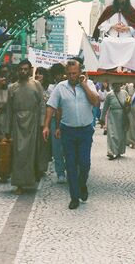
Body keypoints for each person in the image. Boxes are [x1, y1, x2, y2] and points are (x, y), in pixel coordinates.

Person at [43, 60, 99, 210]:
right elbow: (51, 106)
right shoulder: (60, 87)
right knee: (71, 165)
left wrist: (85, 85)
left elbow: (95, 102)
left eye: (75, 73)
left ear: (80, 72)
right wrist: (46, 126)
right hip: (68, 131)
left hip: (85, 131)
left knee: (85, 163)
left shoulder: (89, 84)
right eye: (69, 74)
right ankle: (74, 197)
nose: (72, 76)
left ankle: (82, 186)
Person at [6, 59, 44, 194]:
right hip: (17, 123)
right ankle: (19, 184)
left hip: (33, 122)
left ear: (30, 70)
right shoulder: (12, 87)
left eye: (25, 69)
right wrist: (7, 129)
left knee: (33, 152)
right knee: (19, 153)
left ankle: (31, 179)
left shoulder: (37, 85)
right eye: (21, 69)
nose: (23, 71)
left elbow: (42, 105)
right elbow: (8, 109)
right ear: (18, 70)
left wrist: (42, 123)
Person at [92, 0, 135, 73]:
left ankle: (127, 67)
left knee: (134, 43)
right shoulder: (109, 10)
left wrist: (128, 28)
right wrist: (112, 26)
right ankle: (109, 67)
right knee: (106, 42)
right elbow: (101, 25)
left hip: (127, 38)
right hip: (112, 37)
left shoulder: (131, 11)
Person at [47, 63, 66, 183]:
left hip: (67, 119)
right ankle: (60, 172)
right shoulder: (50, 88)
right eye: (57, 74)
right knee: (56, 147)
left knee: (67, 146)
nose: (59, 76)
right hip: (54, 120)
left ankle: (70, 168)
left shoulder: (67, 86)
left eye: (61, 73)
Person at [100, 83, 130, 160]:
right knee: (112, 133)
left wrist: (128, 106)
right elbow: (105, 107)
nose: (117, 87)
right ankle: (111, 152)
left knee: (121, 134)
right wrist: (102, 118)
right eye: (115, 85)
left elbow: (129, 103)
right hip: (112, 116)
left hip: (122, 115)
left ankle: (119, 151)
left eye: (118, 85)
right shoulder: (110, 94)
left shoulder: (125, 93)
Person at [35, 67, 51, 179]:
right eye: (36, 73)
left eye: (40, 73)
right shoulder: (33, 87)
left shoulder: (49, 90)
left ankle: (41, 167)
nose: (37, 75)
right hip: (33, 120)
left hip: (45, 120)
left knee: (43, 145)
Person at [126, 82, 135, 149]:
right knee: (129, 126)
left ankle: (134, 142)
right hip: (130, 109)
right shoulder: (129, 87)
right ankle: (128, 141)